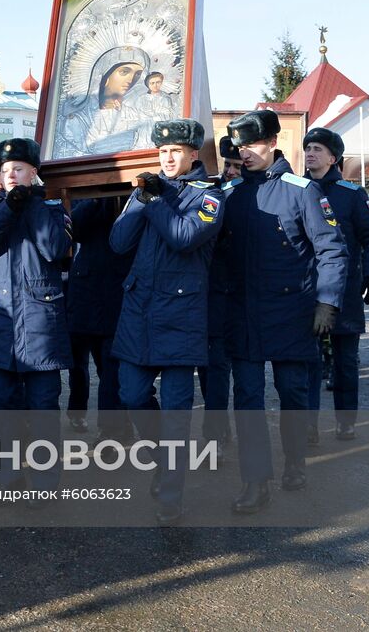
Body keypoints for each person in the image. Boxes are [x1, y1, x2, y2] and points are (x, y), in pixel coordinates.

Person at [221, 110, 347, 514]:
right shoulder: (231, 194)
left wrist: (327, 302)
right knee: (247, 398)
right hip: (243, 315)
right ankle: (255, 480)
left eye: (253, 145)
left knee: (293, 393)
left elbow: (331, 249)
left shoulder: (301, 190)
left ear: (273, 142)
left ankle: (295, 461)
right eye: (241, 148)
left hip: (292, 312)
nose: (246, 154)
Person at [108, 119, 223, 524]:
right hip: (139, 309)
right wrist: (140, 200)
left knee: (176, 412)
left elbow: (184, 237)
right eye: (162, 152)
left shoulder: (209, 196)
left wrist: (155, 202)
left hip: (182, 314)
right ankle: (162, 459)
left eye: (176, 151)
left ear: (194, 154)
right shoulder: (146, 191)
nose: (168, 158)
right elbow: (118, 243)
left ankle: (171, 495)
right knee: (131, 393)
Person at [0, 138, 73, 491]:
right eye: (5, 170)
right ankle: (6, 478)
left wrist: (33, 205)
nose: (10, 176)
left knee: (42, 408)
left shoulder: (53, 210)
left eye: (18, 170)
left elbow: (55, 248)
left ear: (34, 173)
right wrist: (8, 209)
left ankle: (44, 481)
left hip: (41, 323)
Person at [301, 127, 369, 441]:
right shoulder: (296, 189)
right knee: (307, 361)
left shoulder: (351, 195)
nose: (310, 153)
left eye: (318, 149)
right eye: (308, 148)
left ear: (333, 157)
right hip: (306, 291)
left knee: (345, 361)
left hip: (344, 290)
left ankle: (345, 420)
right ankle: (308, 425)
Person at [65, 193, 132, 446]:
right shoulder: (86, 193)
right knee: (80, 363)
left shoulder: (131, 193)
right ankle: (88, 416)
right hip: (87, 294)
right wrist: (95, 198)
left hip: (118, 289)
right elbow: (75, 229)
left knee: (111, 368)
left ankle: (113, 429)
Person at [199, 135, 241, 450]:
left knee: (232, 369)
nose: (229, 171)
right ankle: (216, 428)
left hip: (239, 295)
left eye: (236, 166)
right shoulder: (213, 193)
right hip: (212, 294)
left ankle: (221, 429)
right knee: (212, 367)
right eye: (227, 164)